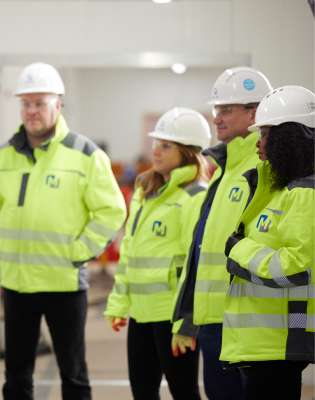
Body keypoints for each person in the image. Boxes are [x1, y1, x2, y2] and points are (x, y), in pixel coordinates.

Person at [0, 62, 127, 400]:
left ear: (58, 105)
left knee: (73, 374)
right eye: (26, 103)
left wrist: (78, 251)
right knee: (16, 376)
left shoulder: (85, 155)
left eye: (40, 103)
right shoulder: (0, 158)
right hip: (17, 283)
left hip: (64, 283)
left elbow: (112, 210)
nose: (32, 111)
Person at [172, 66, 272, 399]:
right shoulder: (224, 171)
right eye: (217, 110)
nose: (217, 118)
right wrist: (189, 314)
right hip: (213, 318)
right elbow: (201, 249)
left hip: (244, 320)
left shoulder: (262, 168)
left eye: (226, 110)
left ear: (254, 113)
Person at [105, 107, 211, 399]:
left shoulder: (195, 197)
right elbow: (130, 252)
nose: (156, 151)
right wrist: (118, 303)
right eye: (156, 143)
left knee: (184, 392)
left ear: (188, 152)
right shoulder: (145, 191)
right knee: (142, 392)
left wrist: (187, 322)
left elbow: (197, 265)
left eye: (166, 145)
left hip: (171, 317)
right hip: (140, 314)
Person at [220, 85, 314, 400]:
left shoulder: (304, 194)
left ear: (290, 139)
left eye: (265, 134)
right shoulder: (277, 189)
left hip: (278, 344)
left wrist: (239, 249)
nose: (259, 143)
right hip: (262, 344)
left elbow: (294, 267)